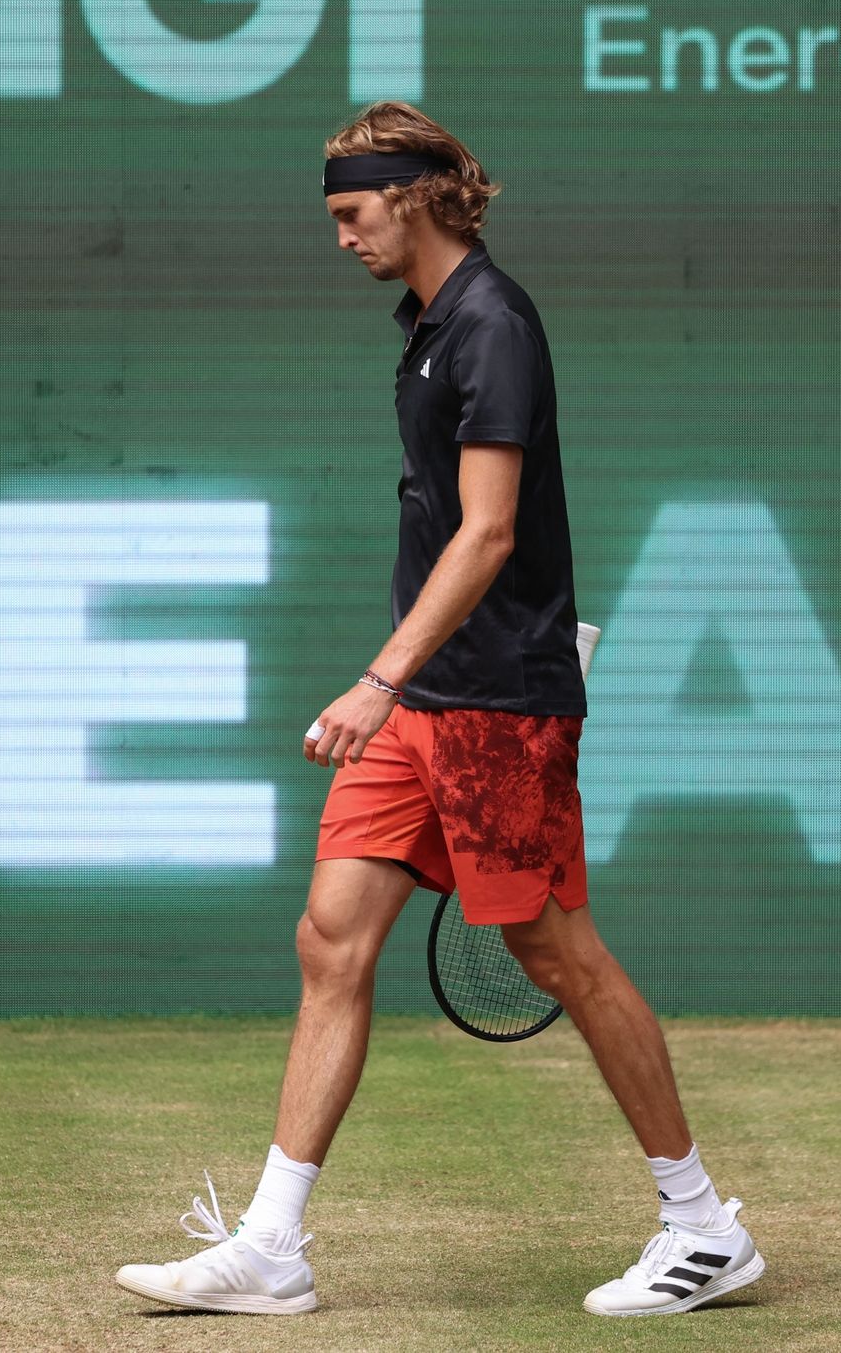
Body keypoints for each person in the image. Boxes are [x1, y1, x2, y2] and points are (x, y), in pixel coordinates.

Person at [114, 101, 765, 1319]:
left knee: (555, 952)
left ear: (412, 199)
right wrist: (397, 689)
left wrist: (375, 680)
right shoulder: (425, 328)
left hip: (494, 704)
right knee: (330, 937)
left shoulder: (491, 325)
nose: (341, 238)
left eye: (353, 215)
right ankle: (271, 1246)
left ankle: (703, 1226)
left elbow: (490, 533)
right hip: (424, 703)